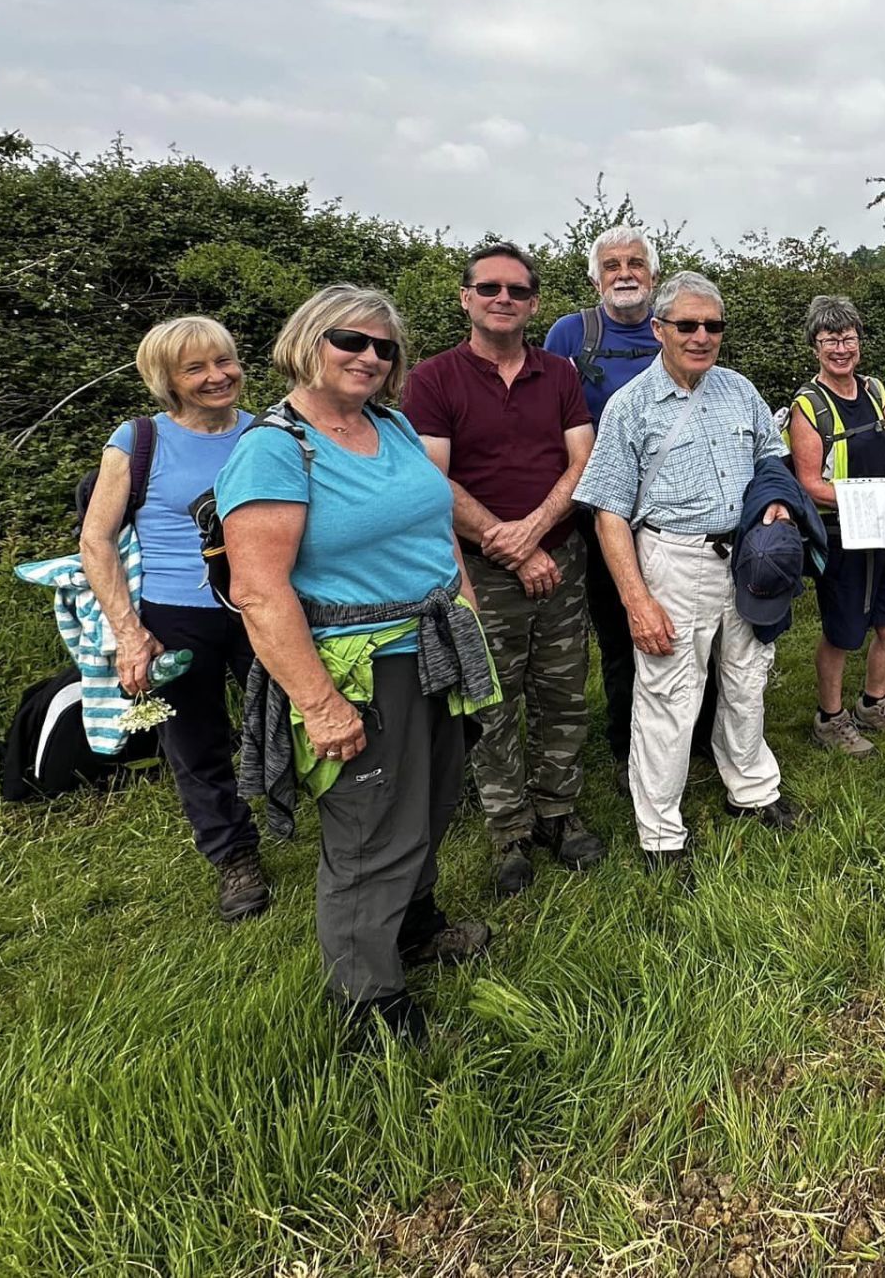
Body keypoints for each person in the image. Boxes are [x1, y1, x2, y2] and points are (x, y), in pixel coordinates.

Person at [219, 285, 494, 1043]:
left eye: (384, 347)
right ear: (309, 340)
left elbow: (438, 530)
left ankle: (415, 925)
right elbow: (258, 590)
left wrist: (469, 621)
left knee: (430, 802)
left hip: (435, 647)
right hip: (358, 667)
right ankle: (368, 1004)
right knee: (371, 828)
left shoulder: (392, 424)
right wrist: (319, 704)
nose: (370, 356)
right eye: (352, 340)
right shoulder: (276, 448)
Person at [572, 271, 808, 873]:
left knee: (748, 677)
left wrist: (777, 504)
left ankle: (751, 789)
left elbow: (772, 458)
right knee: (669, 694)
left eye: (713, 325)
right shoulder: (630, 406)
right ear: (659, 329)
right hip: (672, 560)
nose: (702, 336)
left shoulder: (739, 390)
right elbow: (607, 513)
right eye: (687, 325)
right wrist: (636, 601)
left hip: (746, 556)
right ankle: (660, 831)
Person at [404, 242, 602, 897]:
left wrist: (534, 534)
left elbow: (582, 461)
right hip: (479, 570)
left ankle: (557, 808)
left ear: (534, 304)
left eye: (517, 290)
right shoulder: (434, 379)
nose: (503, 299)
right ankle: (508, 827)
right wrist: (510, 545)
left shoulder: (559, 374)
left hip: (561, 560)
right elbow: (432, 480)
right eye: (489, 288)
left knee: (563, 689)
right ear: (466, 298)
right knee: (492, 698)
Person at [78, 317, 263, 922]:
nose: (217, 376)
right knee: (195, 743)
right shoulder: (138, 440)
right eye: (196, 368)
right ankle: (234, 856)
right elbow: (96, 541)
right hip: (176, 616)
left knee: (295, 720)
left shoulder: (266, 433)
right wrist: (129, 634)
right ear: (167, 380)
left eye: (225, 361)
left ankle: (340, 834)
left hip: (264, 607)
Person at [543, 224, 715, 791]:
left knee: (695, 625)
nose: (624, 274)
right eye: (612, 265)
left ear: (654, 275)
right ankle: (627, 746)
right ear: (595, 278)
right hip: (603, 512)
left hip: (678, 512)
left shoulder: (682, 327)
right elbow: (549, 422)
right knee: (621, 629)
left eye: (635, 263)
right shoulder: (571, 334)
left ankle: (699, 737)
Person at [785, 296, 885, 756]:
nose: (841, 349)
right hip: (843, 535)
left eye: (848, 338)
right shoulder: (808, 406)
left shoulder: (876, 390)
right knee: (843, 632)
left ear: (859, 341)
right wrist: (864, 498)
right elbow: (808, 483)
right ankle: (830, 718)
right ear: (815, 346)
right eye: (830, 340)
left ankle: (872, 704)